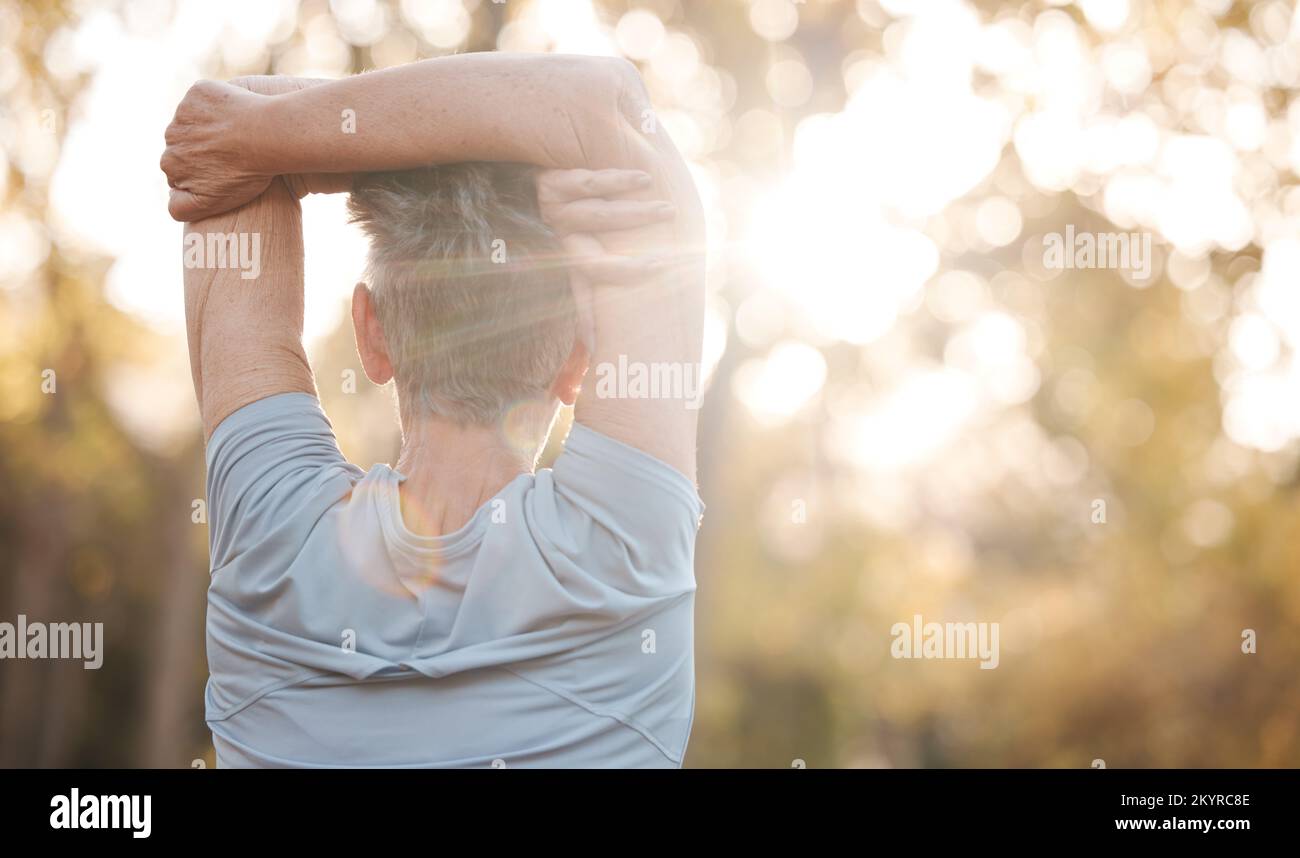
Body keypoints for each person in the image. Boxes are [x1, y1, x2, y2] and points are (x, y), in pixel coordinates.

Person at [160, 54, 706, 767]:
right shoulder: (625, 549)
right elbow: (607, 103)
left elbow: (228, 121)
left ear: (370, 333)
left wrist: (287, 142)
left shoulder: (269, 528)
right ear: (579, 359)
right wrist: (276, 136)